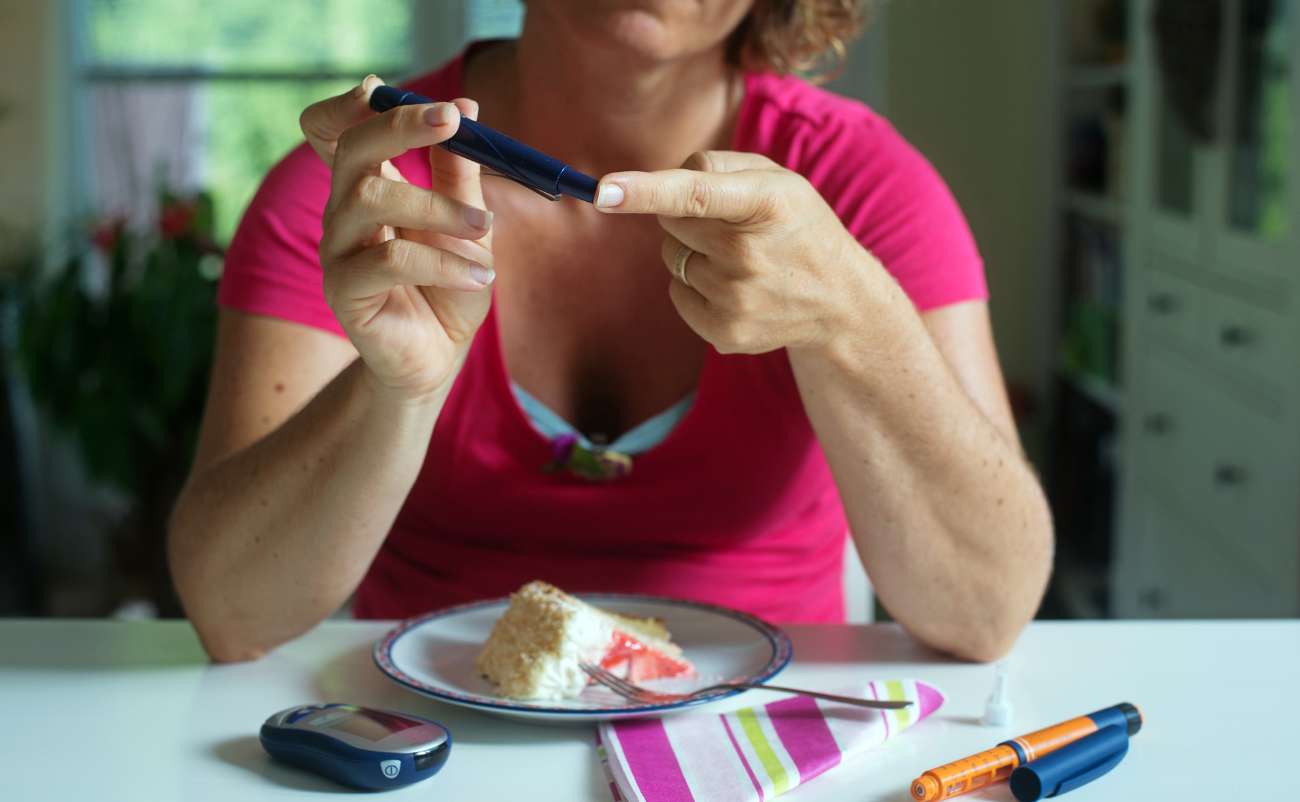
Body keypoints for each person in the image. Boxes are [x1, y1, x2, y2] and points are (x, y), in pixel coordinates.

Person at [168, 0, 1053, 664]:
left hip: (765, 741)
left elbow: (986, 610)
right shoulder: (364, 187)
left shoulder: (862, 187)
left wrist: (856, 319)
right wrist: (397, 390)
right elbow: (233, 611)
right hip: (430, 744)